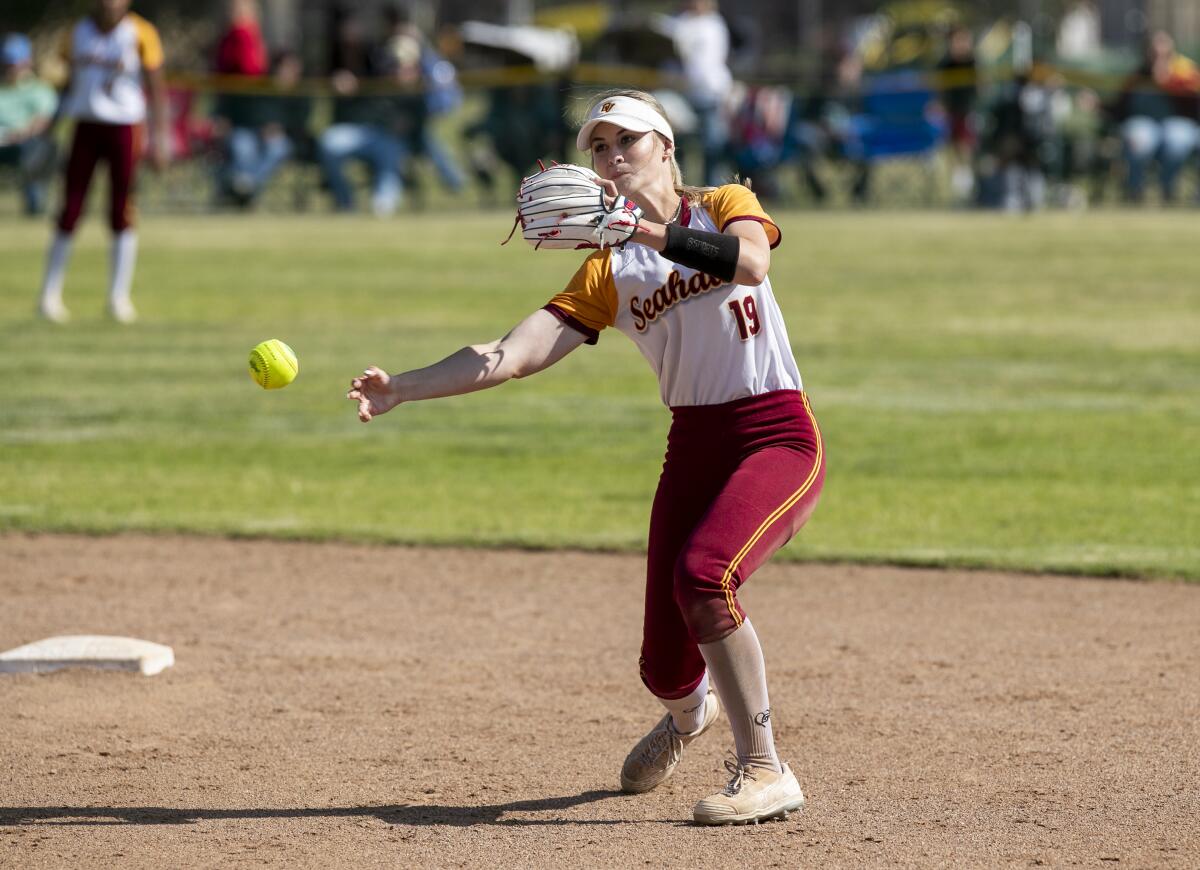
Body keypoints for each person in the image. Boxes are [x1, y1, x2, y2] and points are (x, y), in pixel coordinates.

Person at [347, 90, 824, 825]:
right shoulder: (609, 271)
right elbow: (509, 354)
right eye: (597, 146)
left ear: (665, 147)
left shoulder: (724, 201)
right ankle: (686, 718)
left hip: (775, 436)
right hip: (691, 448)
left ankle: (765, 768)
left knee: (704, 578)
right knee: (663, 667)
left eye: (624, 139)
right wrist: (402, 388)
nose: (609, 155)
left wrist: (647, 230)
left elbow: (751, 264)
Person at [35, 0, 169, 324]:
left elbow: (156, 86)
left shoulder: (141, 32)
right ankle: (49, 295)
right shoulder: (77, 33)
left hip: (125, 126)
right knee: (70, 207)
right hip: (85, 125)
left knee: (122, 209)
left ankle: (118, 297)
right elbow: (65, 85)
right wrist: (49, 132)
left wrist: (161, 138)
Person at [1111, 30, 1200, 203]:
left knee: (1176, 142)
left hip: (1178, 123)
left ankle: (1167, 191)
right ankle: (1135, 191)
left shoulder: (1184, 72)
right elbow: (1119, 108)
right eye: (1154, 52)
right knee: (1138, 139)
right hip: (1144, 124)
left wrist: (1168, 82)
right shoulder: (1137, 76)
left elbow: (1194, 104)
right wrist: (1097, 105)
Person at [0, 33, 59, 217]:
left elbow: (41, 123)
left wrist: (17, 135)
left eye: (15, 62)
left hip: (27, 142)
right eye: (8, 62)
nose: (12, 67)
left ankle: (34, 207)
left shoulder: (40, 90)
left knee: (34, 151)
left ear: (26, 61)